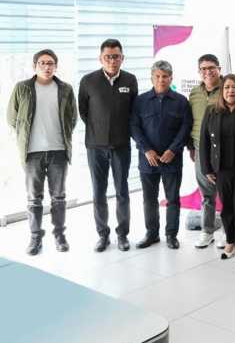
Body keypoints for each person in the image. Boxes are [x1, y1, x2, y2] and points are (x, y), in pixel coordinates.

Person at [7, 49, 78, 255]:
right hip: (32, 153)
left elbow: (72, 118)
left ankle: (59, 235)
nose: (47, 67)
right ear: (35, 66)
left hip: (58, 151)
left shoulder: (65, 89)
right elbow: (12, 118)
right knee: (34, 198)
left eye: (50, 63)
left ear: (56, 66)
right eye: (42, 63)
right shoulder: (22, 88)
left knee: (59, 197)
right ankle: (35, 238)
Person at [78, 39, 138, 252]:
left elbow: (133, 112)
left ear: (122, 58)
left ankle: (122, 235)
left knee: (122, 191)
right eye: (108, 57)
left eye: (116, 57)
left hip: (121, 146)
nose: (112, 61)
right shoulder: (88, 81)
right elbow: (84, 112)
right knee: (99, 192)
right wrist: (100, 129)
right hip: (96, 147)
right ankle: (103, 235)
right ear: (101, 58)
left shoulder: (130, 80)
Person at [130, 60, 192, 249]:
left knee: (172, 199)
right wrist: (146, 150)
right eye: (157, 76)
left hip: (172, 159)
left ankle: (171, 235)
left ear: (171, 78)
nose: (161, 80)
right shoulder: (140, 101)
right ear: (151, 78)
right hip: (148, 160)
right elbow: (134, 127)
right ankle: (152, 234)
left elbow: (185, 128)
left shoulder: (181, 101)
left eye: (165, 76)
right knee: (149, 199)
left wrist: (173, 150)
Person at [200, 74, 235, 262]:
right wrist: (207, 168)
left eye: (234, 87)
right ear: (222, 91)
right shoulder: (212, 111)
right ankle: (230, 241)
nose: (230, 91)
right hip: (221, 169)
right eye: (226, 87)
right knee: (227, 208)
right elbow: (204, 141)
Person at [189, 54, 226, 249]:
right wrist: (191, 147)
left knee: (226, 193)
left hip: (224, 149)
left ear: (219, 69)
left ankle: (228, 231)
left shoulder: (228, 88)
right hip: (200, 149)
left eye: (211, 68)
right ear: (199, 71)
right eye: (203, 69)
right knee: (207, 195)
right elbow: (191, 121)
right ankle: (207, 231)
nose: (208, 72)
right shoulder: (195, 93)